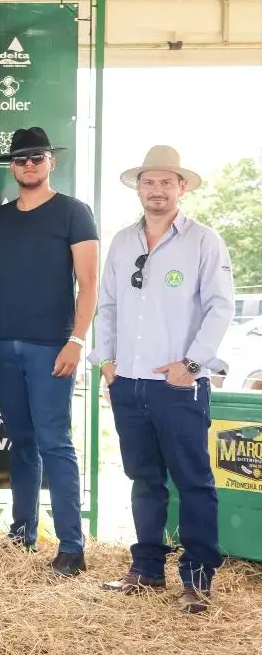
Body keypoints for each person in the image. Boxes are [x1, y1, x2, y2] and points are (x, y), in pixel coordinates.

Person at [90, 146, 233, 614]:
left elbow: (221, 307)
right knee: (143, 479)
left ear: (181, 187)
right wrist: (106, 361)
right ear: (138, 188)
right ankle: (147, 569)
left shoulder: (204, 241)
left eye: (166, 182)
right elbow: (108, 305)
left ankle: (197, 578)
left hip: (179, 385)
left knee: (193, 480)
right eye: (149, 182)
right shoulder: (122, 241)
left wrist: (191, 364)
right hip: (128, 382)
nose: (157, 190)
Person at [0, 127, 98, 577]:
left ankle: (71, 546)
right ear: (12, 166)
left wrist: (77, 340)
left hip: (53, 346)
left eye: (37, 157)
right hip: (5, 347)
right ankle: (22, 533)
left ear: (52, 161)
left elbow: (89, 284)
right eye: (21, 158)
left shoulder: (74, 212)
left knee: (55, 442)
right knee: (22, 444)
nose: (29, 164)